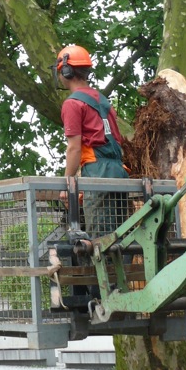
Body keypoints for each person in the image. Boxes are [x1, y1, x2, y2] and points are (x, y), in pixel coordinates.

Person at [56, 44, 128, 244]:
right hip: (119, 172)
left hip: (97, 173)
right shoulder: (103, 101)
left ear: (66, 71)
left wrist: (67, 183)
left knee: (101, 242)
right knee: (120, 237)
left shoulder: (72, 104)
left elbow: (74, 148)